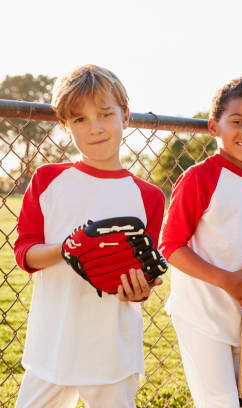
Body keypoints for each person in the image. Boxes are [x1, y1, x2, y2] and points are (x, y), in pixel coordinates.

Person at [13, 64, 165, 408]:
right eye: (79, 119)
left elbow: (140, 278)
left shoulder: (149, 196)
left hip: (112, 353)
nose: (95, 128)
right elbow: (25, 253)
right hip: (53, 346)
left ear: (125, 116)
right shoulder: (48, 180)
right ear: (66, 127)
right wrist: (68, 248)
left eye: (105, 114)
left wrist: (140, 290)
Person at [159, 77, 242, 408]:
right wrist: (228, 280)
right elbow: (171, 245)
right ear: (214, 127)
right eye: (236, 122)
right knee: (219, 402)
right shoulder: (200, 177)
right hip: (201, 313)